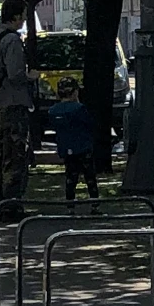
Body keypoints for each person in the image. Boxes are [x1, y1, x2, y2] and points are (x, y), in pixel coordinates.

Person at [0, 0, 40, 220]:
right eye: (23, 15)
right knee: (14, 157)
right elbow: (15, 75)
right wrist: (31, 76)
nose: (24, 20)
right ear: (15, 16)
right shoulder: (12, 40)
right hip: (12, 104)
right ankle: (11, 206)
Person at [49, 76, 99, 210]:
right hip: (83, 146)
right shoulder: (79, 108)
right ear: (75, 92)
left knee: (70, 177)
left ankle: (70, 205)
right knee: (90, 177)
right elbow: (89, 124)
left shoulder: (53, 111)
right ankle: (94, 204)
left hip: (66, 148)